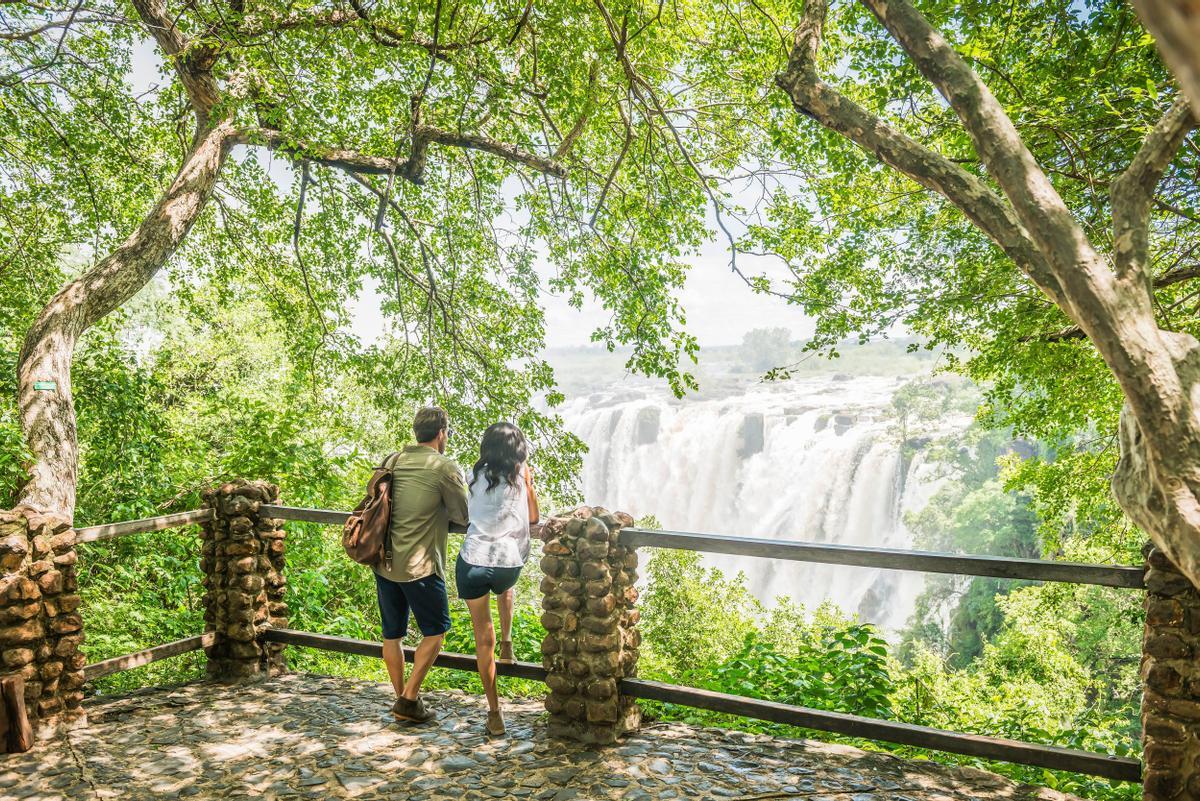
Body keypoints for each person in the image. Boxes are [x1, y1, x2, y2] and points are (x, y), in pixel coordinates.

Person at [376, 406, 468, 724]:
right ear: (441, 433)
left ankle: (403, 702)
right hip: (420, 566)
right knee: (436, 632)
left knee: (392, 636)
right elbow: (463, 517)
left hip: (384, 562)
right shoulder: (443, 467)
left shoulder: (392, 460)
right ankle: (409, 698)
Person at [456, 422, 540, 736]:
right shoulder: (521, 477)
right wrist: (528, 480)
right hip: (509, 565)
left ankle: (494, 713)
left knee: (481, 639)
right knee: (505, 584)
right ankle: (508, 642)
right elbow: (533, 518)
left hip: (472, 563)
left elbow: (470, 513)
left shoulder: (473, 476)